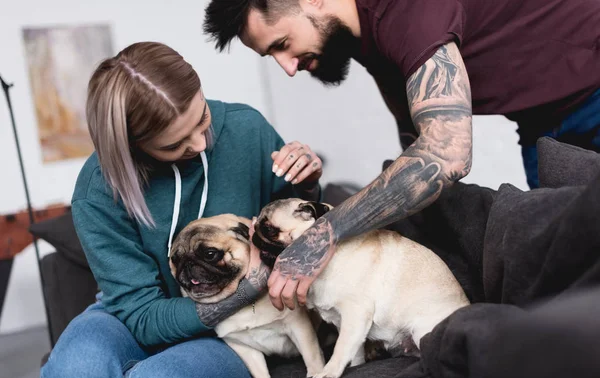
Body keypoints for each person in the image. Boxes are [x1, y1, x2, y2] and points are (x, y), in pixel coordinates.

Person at [203, 0, 600, 311]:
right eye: (270, 57)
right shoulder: (364, 35)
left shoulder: (406, 11)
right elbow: (413, 147)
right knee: (571, 272)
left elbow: (445, 157)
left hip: (592, 88)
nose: (287, 68)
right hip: (544, 123)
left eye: (282, 45)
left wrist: (324, 233)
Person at [36, 41, 323, 378]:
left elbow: (293, 230)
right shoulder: (98, 189)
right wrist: (248, 286)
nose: (201, 144)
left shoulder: (246, 129)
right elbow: (140, 315)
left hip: (232, 327)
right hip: (134, 316)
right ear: (132, 146)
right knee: (74, 374)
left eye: (202, 118)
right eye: (174, 145)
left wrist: (307, 182)